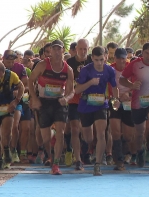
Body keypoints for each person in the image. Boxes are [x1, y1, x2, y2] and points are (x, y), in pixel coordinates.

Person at [29, 39, 75, 175]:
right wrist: (35, 98)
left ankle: (56, 164)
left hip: (58, 102)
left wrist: (66, 99)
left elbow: (72, 90)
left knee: (61, 132)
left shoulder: (68, 69)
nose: (56, 51)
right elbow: (31, 81)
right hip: (43, 101)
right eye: (53, 49)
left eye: (58, 49)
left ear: (63, 50)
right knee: (45, 138)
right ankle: (50, 155)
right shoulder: (43, 65)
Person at [75, 46, 120, 176]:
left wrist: (116, 99)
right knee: (88, 138)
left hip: (101, 104)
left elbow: (114, 86)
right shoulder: (86, 70)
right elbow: (77, 90)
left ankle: (98, 164)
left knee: (101, 134)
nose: (99, 63)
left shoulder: (109, 70)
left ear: (105, 57)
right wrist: (90, 82)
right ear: (92, 58)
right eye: (96, 60)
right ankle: (90, 148)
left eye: (101, 59)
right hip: (86, 105)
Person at [65, 38, 93, 170]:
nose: (82, 51)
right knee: (75, 129)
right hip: (74, 101)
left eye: (85, 49)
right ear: (76, 49)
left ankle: (87, 152)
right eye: (80, 49)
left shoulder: (93, 61)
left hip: (90, 101)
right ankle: (78, 159)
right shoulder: (69, 63)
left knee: (88, 133)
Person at [108, 48, 136, 171]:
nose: (121, 61)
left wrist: (128, 95)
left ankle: (127, 153)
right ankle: (118, 160)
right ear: (114, 58)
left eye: (123, 58)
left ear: (126, 58)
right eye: (118, 58)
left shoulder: (132, 68)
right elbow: (108, 85)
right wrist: (116, 97)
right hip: (114, 100)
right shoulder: (110, 69)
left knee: (128, 135)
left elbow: (137, 85)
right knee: (115, 131)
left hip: (129, 102)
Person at [2, 50, 29, 164]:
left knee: (15, 126)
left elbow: (26, 85)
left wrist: (18, 92)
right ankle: (5, 152)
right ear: (3, 60)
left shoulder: (20, 67)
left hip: (17, 101)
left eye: (12, 61)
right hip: (1, 103)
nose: (10, 64)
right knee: (4, 130)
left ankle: (14, 151)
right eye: (8, 61)